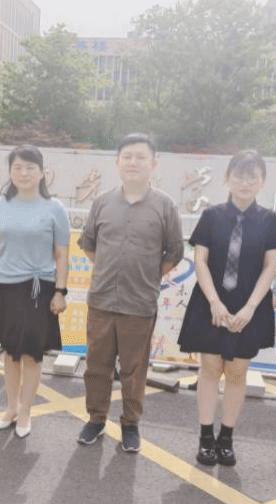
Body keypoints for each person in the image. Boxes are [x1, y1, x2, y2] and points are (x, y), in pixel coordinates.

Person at [177, 150, 276, 466]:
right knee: (210, 370)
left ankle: (226, 438)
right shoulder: (212, 216)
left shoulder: (269, 220)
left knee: (237, 372)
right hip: (211, 302)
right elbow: (200, 260)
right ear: (227, 178)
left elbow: (270, 266)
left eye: (253, 177)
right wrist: (214, 302)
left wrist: (250, 308)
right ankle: (205, 437)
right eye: (239, 176)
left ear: (262, 181)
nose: (245, 182)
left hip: (249, 306)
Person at [76, 133, 184, 452]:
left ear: (153, 163)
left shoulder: (165, 206)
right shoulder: (102, 203)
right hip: (102, 300)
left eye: (140, 157)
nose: (133, 162)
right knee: (97, 365)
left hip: (140, 302)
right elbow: (89, 245)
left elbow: (174, 252)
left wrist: (148, 275)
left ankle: (130, 423)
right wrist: (109, 268)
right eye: (127, 156)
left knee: (134, 369)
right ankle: (96, 418)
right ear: (117, 162)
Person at [0, 145, 70, 438]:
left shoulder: (55, 209)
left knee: (31, 353)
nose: (24, 173)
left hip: (37, 289)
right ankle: (11, 408)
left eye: (30, 167)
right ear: (10, 171)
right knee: (10, 353)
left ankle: (26, 410)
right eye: (18, 167)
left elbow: (62, 254)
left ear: (42, 173)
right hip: (3, 287)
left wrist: (60, 291)